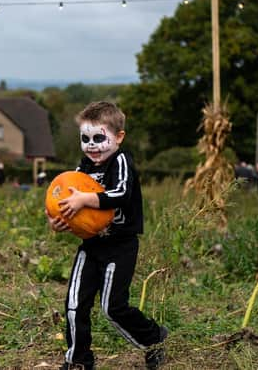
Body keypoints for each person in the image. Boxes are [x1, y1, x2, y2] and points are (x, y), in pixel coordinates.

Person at [47, 101, 168, 370]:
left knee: (113, 308)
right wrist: (57, 221)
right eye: (85, 139)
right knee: (74, 304)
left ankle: (153, 339)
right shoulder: (82, 169)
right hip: (90, 245)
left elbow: (122, 194)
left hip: (120, 245)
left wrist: (86, 199)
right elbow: (65, 202)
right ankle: (78, 360)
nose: (92, 145)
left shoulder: (121, 161)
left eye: (99, 138)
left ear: (118, 137)